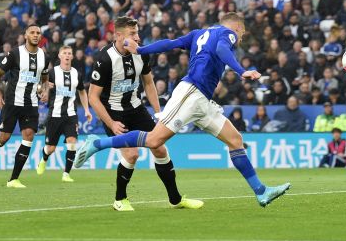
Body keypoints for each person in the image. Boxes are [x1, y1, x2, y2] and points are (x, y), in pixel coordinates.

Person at [75, 12, 290, 207]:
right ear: (237, 27)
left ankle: (261, 192)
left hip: (202, 100)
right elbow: (222, 49)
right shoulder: (228, 34)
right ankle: (97, 143)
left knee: (235, 140)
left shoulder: (199, 33)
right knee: (153, 141)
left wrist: (141, 50)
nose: (240, 37)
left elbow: (170, 43)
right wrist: (241, 71)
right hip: (191, 93)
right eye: (241, 32)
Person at [77, 16, 199, 211]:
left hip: (136, 107)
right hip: (113, 112)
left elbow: (148, 83)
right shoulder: (104, 59)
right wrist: (111, 123)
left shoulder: (141, 54)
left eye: (137, 32)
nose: (138, 37)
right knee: (132, 154)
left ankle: (175, 199)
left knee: (159, 147)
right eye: (132, 34)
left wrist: (160, 113)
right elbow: (93, 97)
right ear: (118, 36)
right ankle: (120, 199)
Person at [0, 24, 49, 187]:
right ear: (26, 35)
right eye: (32, 32)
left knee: (28, 136)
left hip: (31, 103)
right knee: (4, 138)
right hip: (12, 102)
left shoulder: (44, 56)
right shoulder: (15, 54)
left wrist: (44, 90)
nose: (36, 35)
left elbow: (44, 76)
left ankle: (13, 179)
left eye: (38, 33)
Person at [36, 46, 93, 182]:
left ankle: (66, 174)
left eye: (69, 53)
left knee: (72, 143)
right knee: (51, 148)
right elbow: (39, 89)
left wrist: (86, 109)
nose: (67, 56)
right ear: (60, 56)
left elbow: (82, 92)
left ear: (72, 57)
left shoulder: (76, 74)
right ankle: (43, 159)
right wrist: (43, 89)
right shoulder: (52, 72)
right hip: (55, 114)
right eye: (64, 53)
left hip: (71, 115)